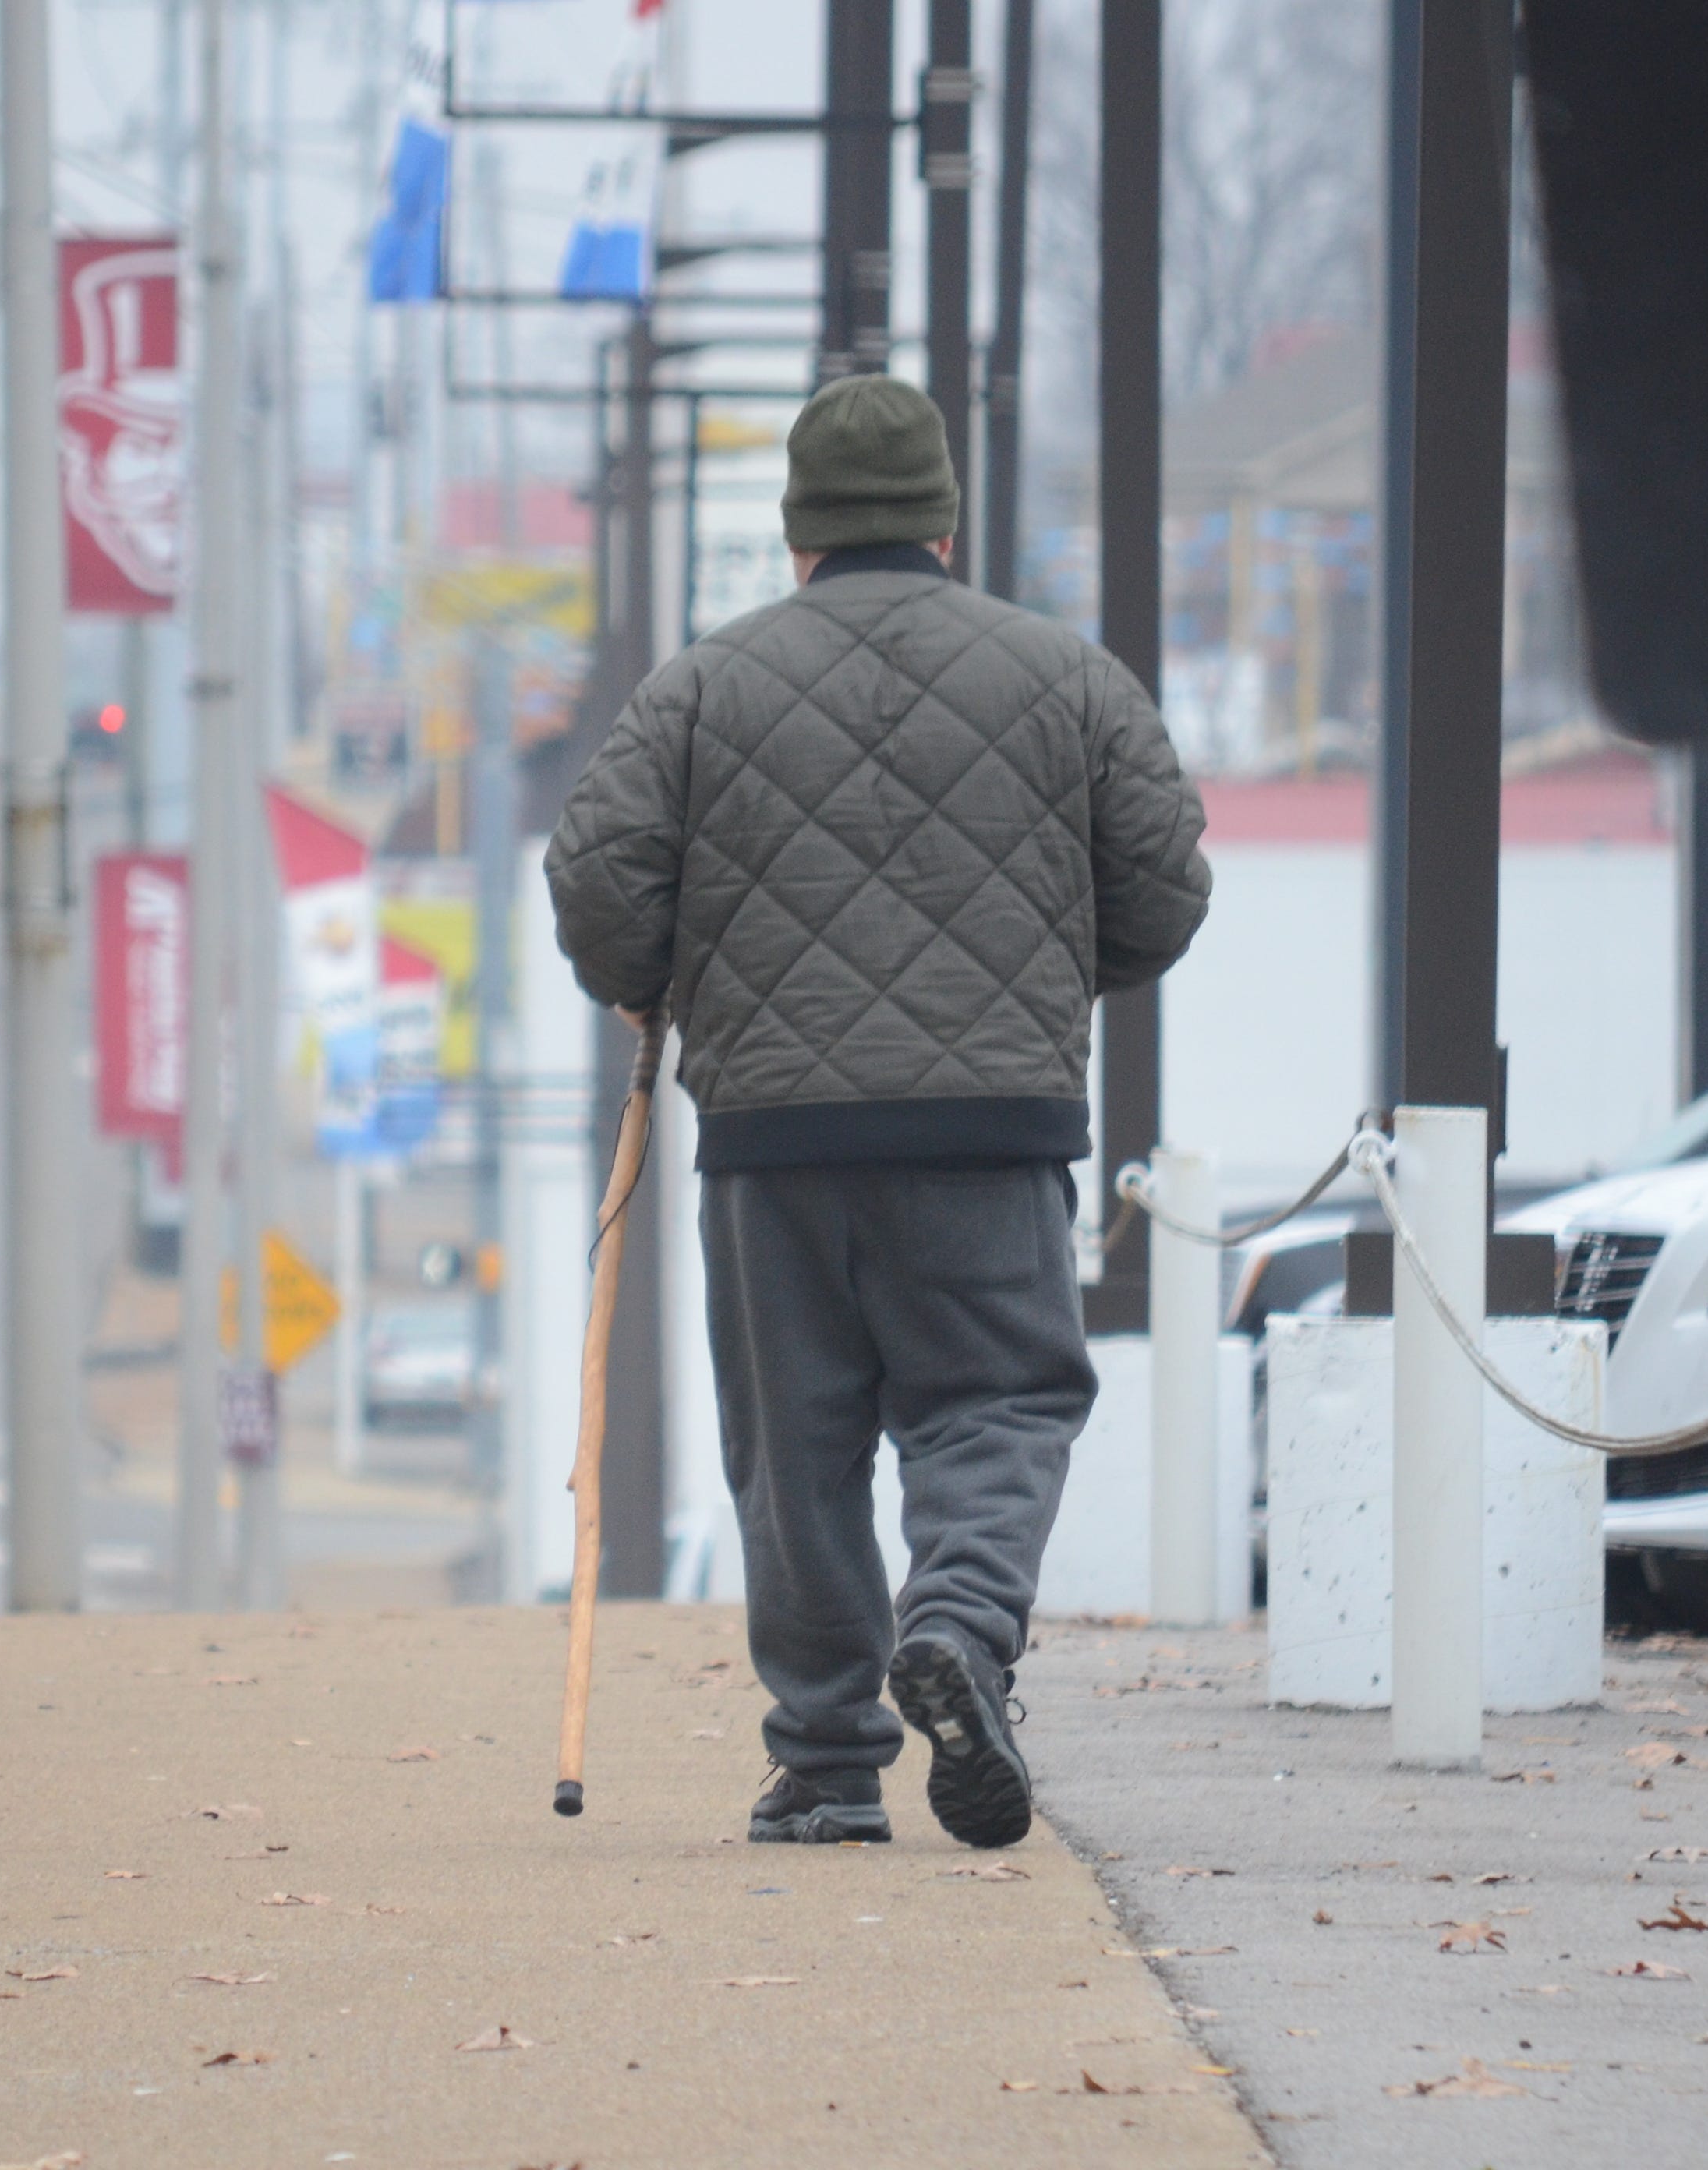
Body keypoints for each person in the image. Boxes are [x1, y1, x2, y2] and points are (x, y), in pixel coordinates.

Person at [544, 373, 1211, 1849]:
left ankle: (832, 1764)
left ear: (800, 536)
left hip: (776, 1148)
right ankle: (962, 1630)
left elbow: (596, 877)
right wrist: (1043, 982)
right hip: (994, 1128)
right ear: (943, 525)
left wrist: (653, 983)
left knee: (799, 1450)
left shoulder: (704, 686)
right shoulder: (1071, 678)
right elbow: (1164, 889)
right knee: (1000, 1404)